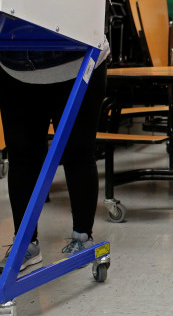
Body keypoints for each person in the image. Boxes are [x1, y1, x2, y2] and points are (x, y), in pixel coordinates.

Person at [0, 40, 109, 274]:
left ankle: (82, 235)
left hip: (78, 63)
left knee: (78, 153)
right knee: (22, 157)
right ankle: (25, 243)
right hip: (14, 67)